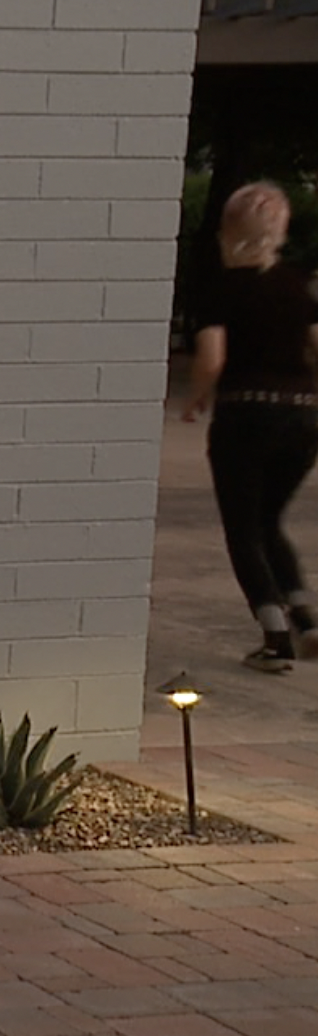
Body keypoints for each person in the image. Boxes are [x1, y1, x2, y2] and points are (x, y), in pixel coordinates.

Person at [180, 181, 318, 672]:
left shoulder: (220, 290)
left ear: (227, 233)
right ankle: (305, 618)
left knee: (243, 529)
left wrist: (198, 396)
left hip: (246, 417)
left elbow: (213, 358)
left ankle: (275, 638)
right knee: (271, 520)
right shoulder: (298, 284)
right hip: (303, 417)